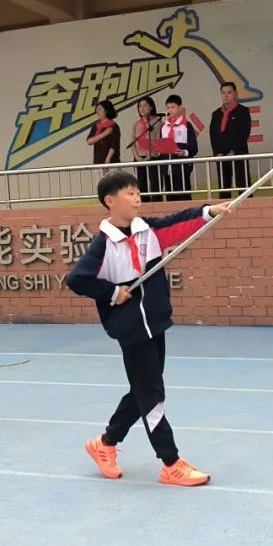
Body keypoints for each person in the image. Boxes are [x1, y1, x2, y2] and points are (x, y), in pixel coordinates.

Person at [66, 170, 229, 487]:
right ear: (110, 202)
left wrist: (209, 211)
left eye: (137, 191)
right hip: (131, 329)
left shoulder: (149, 231)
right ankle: (170, 462)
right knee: (152, 394)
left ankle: (106, 442)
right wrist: (114, 292)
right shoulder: (103, 245)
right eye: (129, 192)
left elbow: (180, 222)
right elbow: (77, 280)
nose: (136, 196)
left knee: (144, 390)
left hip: (155, 322)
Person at [209, 81, 251, 197]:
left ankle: (247, 212)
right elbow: (213, 136)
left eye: (229, 92)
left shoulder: (242, 111)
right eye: (223, 93)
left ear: (235, 94)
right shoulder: (216, 114)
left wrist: (233, 151)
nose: (226, 95)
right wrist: (217, 153)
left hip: (238, 154)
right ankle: (222, 213)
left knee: (243, 186)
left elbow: (244, 134)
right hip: (221, 156)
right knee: (223, 188)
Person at [159, 94, 198, 201]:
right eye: (168, 108)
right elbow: (161, 145)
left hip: (181, 166)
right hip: (166, 166)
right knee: (170, 197)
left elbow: (194, 148)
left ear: (180, 108)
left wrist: (184, 152)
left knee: (183, 196)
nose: (170, 110)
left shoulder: (186, 125)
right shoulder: (163, 127)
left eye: (173, 107)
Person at [129, 95, 162, 202]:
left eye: (145, 105)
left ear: (151, 107)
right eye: (140, 106)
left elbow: (159, 142)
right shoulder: (136, 124)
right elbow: (132, 143)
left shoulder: (158, 123)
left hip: (153, 157)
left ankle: (157, 206)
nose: (142, 108)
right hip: (139, 158)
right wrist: (137, 157)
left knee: (155, 183)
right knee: (141, 185)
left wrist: (149, 156)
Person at [86, 101, 121, 165]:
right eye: (97, 109)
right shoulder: (96, 126)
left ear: (106, 111)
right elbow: (89, 141)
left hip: (112, 161)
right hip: (98, 161)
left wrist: (108, 159)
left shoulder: (113, 126)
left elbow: (114, 145)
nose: (97, 111)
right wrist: (104, 134)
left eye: (100, 109)